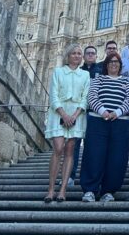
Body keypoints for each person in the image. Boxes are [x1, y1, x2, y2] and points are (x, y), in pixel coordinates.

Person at [79, 52, 129, 202]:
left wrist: (117, 112)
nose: (114, 64)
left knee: (117, 157)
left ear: (120, 65)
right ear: (106, 65)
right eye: (111, 62)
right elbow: (92, 96)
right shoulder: (99, 80)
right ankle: (90, 189)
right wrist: (103, 111)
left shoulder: (126, 82)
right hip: (98, 121)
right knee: (94, 154)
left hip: (120, 122)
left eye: (116, 62)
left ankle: (108, 190)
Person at [44, 43, 90, 203]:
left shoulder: (85, 75)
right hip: (58, 113)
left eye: (79, 53)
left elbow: (85, 97)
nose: (77, 56)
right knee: (57, 149)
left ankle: (62, 190)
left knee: (70, 151)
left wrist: (75, 115)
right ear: (68, 56)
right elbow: (53, 95)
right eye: (74, 53)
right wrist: (64, 114)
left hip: (76, 114)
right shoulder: (58, 72)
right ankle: (50, 189)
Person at [70, 45, 103, 184]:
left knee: (91, 145)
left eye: (93, 53)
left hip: (94, 112)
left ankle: (88, 176)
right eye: (88, 53)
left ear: (96, 56)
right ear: (84, 56)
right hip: (78, 112)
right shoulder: (77, 71)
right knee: (74, 144)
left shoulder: (101, 71)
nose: (90, 55)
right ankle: (70, 175)